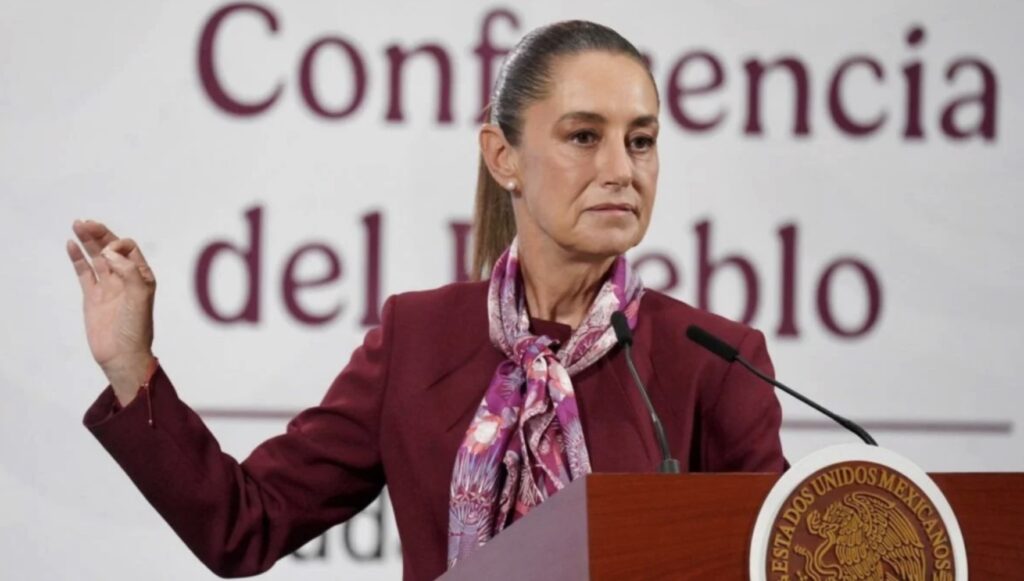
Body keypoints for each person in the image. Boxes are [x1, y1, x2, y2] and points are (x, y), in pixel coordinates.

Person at [67, 20, 785, 581]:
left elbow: (775, 558)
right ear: (503, 156)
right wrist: (131, 365)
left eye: (641, 140)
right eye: (584, 136)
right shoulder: (417, 339)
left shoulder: (714, 363)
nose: (621, 169)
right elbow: (245, 525)